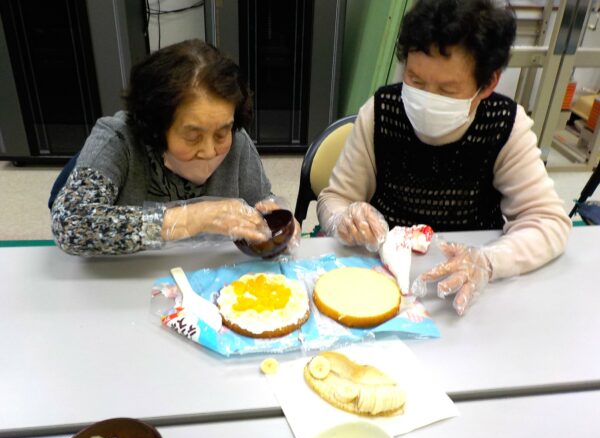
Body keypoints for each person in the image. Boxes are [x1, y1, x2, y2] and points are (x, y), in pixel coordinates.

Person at [317, 0, 572, 315]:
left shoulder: (504, 124)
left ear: (488, 83)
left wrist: (488, 261)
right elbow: (335, 198)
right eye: (415, 80)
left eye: (447, 90)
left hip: (466, 290)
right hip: (381, 279)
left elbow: (548, 221)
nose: (426, 99)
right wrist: (344, 218)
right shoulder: (380, 112)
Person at [51, 39, 298, 256]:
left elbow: (260, 202)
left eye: (221, 133)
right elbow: (70, 225)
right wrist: (191, 218)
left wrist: (275, 222)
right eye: (193, 137)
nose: (210, 151)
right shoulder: (117, 140)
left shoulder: (237, 141)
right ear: (157, 128)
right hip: (129, 275)